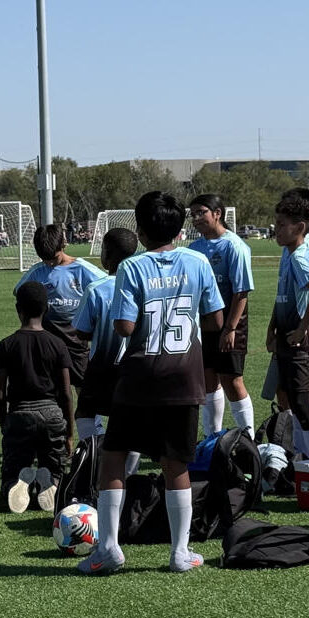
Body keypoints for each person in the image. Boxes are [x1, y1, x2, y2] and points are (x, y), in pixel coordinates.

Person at [77, 191, 223, 575]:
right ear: (180, 228)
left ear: (139, 231)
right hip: (183, 374)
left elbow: (124, 325)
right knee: (176, 464)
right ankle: (180, 552)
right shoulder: (198, 261)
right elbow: (216, 321)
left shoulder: (132, 267)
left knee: (115, 456)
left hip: (140, 374)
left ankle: (108, 548)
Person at [0, 282, 75, 513]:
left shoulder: (7, 345)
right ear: (46, 309)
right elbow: (66, 394)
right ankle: (51, 480)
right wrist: (69, 432)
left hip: (20, 413)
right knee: (55, 462)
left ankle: (16, 481)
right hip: (52, 413)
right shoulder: (57, 344)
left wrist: (5, 424)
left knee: (13, 466)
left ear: (18, 309)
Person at [267, 192, 309, 460]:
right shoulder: (291, 250)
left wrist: (304, 327)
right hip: (286, 331)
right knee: (288, 394)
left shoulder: (299, 258)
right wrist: (272, 326)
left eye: (282, 225)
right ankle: (301, 454)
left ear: (300, 227)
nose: (276, 230)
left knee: (302, 400)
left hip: (299, 336)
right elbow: (286, 290)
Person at [15, 225, 107, 414]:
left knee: (84, 387)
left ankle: (91, 432)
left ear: (63, 244)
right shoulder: (38, 271)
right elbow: (19, 290)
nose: (49, 263)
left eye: (53, 258)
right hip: (47, 337)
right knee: (52, 386)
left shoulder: (81, 268)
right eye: (44, 259)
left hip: (75, 337)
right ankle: (57, 425)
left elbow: (106, 285)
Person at [71, 227, 139, 476]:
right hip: (136, 366)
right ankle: (129, 472)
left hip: (103, 365)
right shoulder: (142, 285)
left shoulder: (97, 289)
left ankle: (94, 457)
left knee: (85, 412)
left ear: (107, 255)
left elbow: (81, 332)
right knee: (130, 419)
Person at [188, 194, 256, 434]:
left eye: (201, 212)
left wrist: (230, 329)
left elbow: (241, 292)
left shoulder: (234, 246)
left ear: (217, 213)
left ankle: (247, 438)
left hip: (230, 322)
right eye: (193, 214)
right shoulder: (194, 249)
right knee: (208, 380)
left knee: (232, 380)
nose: (196, 218)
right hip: (204, 323)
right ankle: (211, 437)